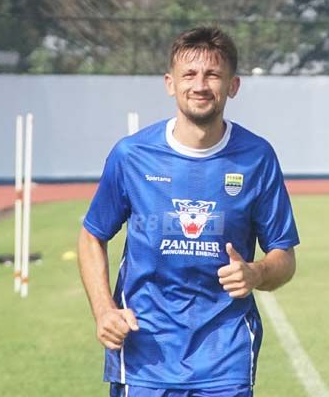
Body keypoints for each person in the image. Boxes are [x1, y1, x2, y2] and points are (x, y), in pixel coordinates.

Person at [78, 26, 299, 397]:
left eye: (213, 74)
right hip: (144, 353)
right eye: (189, 75)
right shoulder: (131, 155)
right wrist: (104, 311)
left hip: (225, 355)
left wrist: (256, 273)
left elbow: (285, 257)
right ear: (170, 83)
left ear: (233, 85)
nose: (200, 85)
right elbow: (91, 235)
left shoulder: (257, 157)